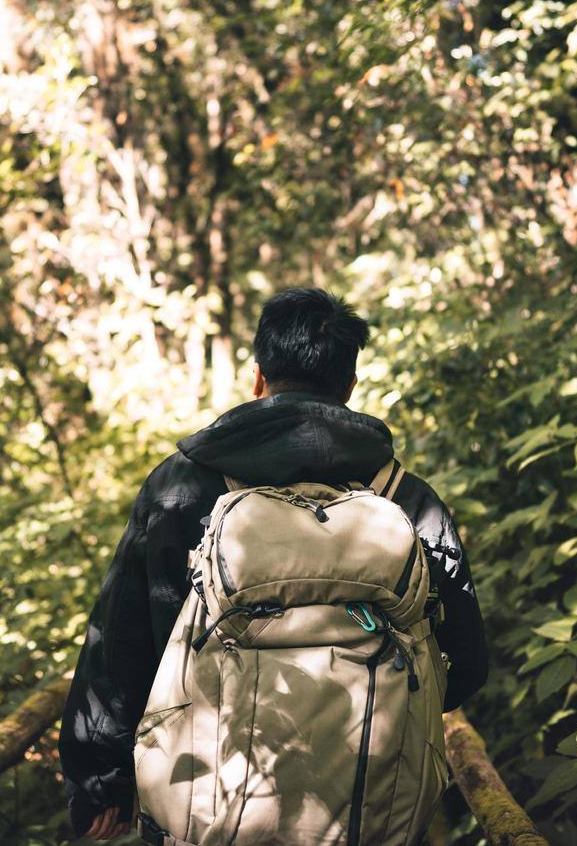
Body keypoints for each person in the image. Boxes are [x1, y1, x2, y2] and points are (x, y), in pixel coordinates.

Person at [58, 287, 488, 841]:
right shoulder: (407, 499)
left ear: (258, 377)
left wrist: (100, 781)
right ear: (350, 388)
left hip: (206, 806)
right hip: (371, 815)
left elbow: (123, 643)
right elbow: (467, 665)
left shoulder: (181, 486)